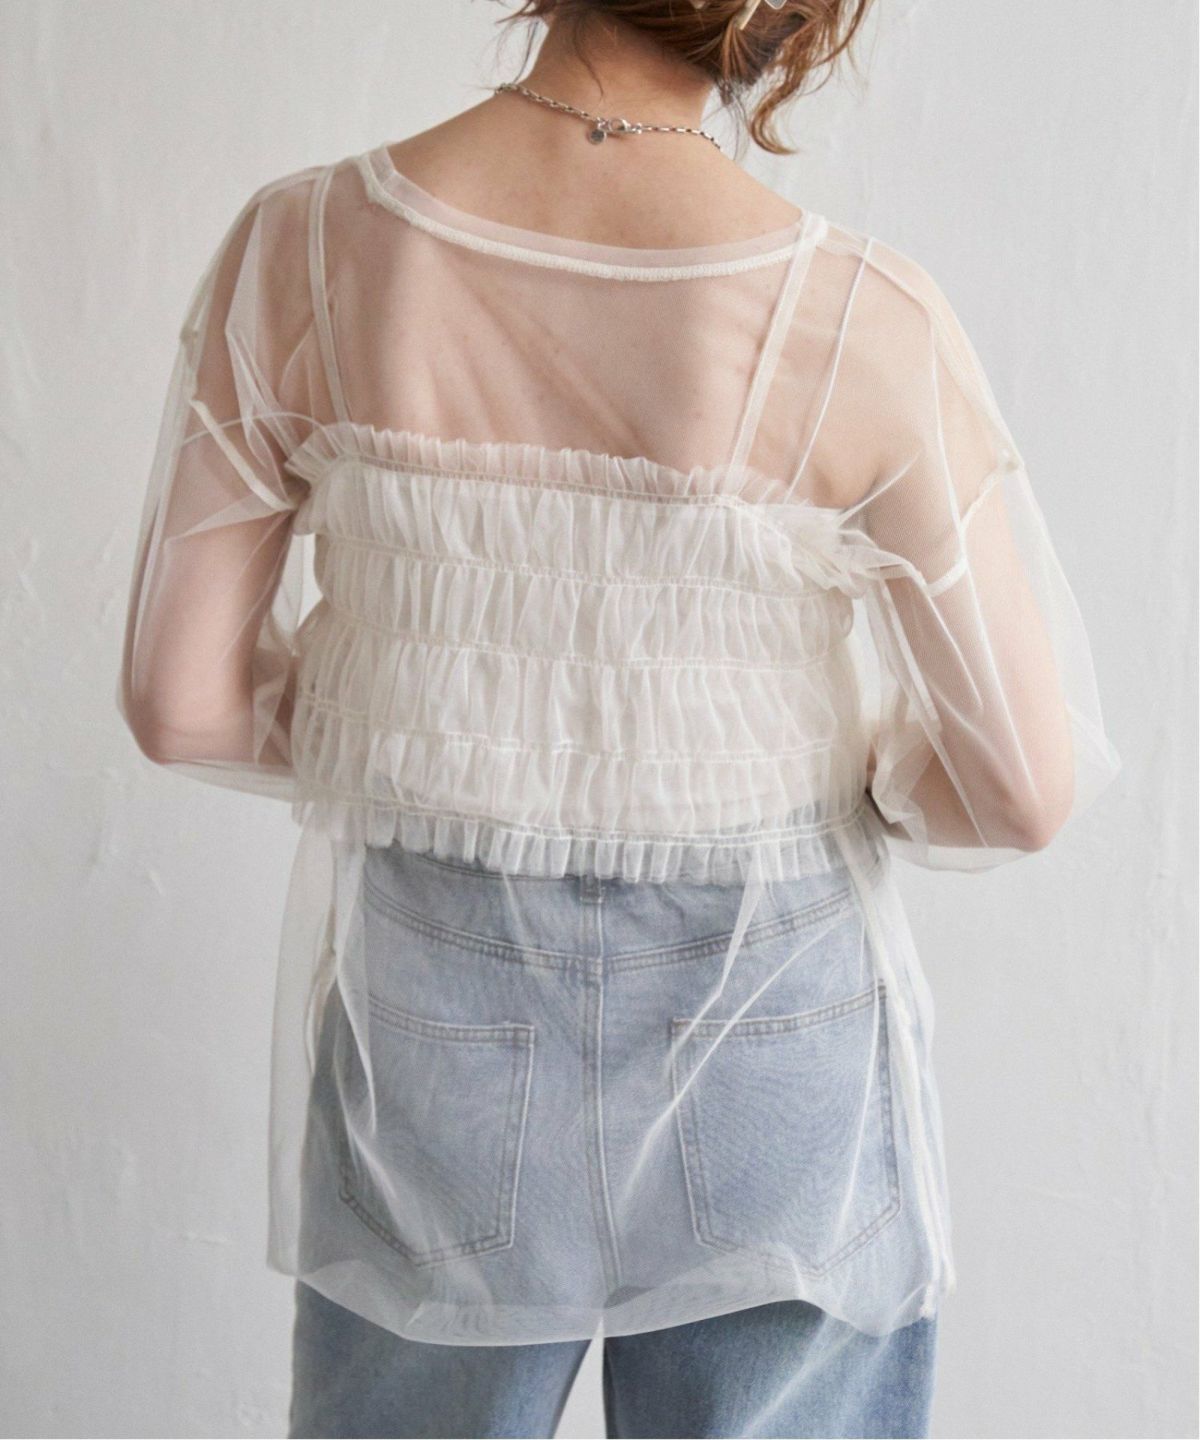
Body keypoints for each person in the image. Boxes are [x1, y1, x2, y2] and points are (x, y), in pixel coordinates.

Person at [115, 1, 1122, 1435]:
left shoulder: (307, 246)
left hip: (433, 1022)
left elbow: (179, 701)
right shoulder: (861, 317)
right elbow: (1019, 787)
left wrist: (435, 740)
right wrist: (834, 770)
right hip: (774, 1018)